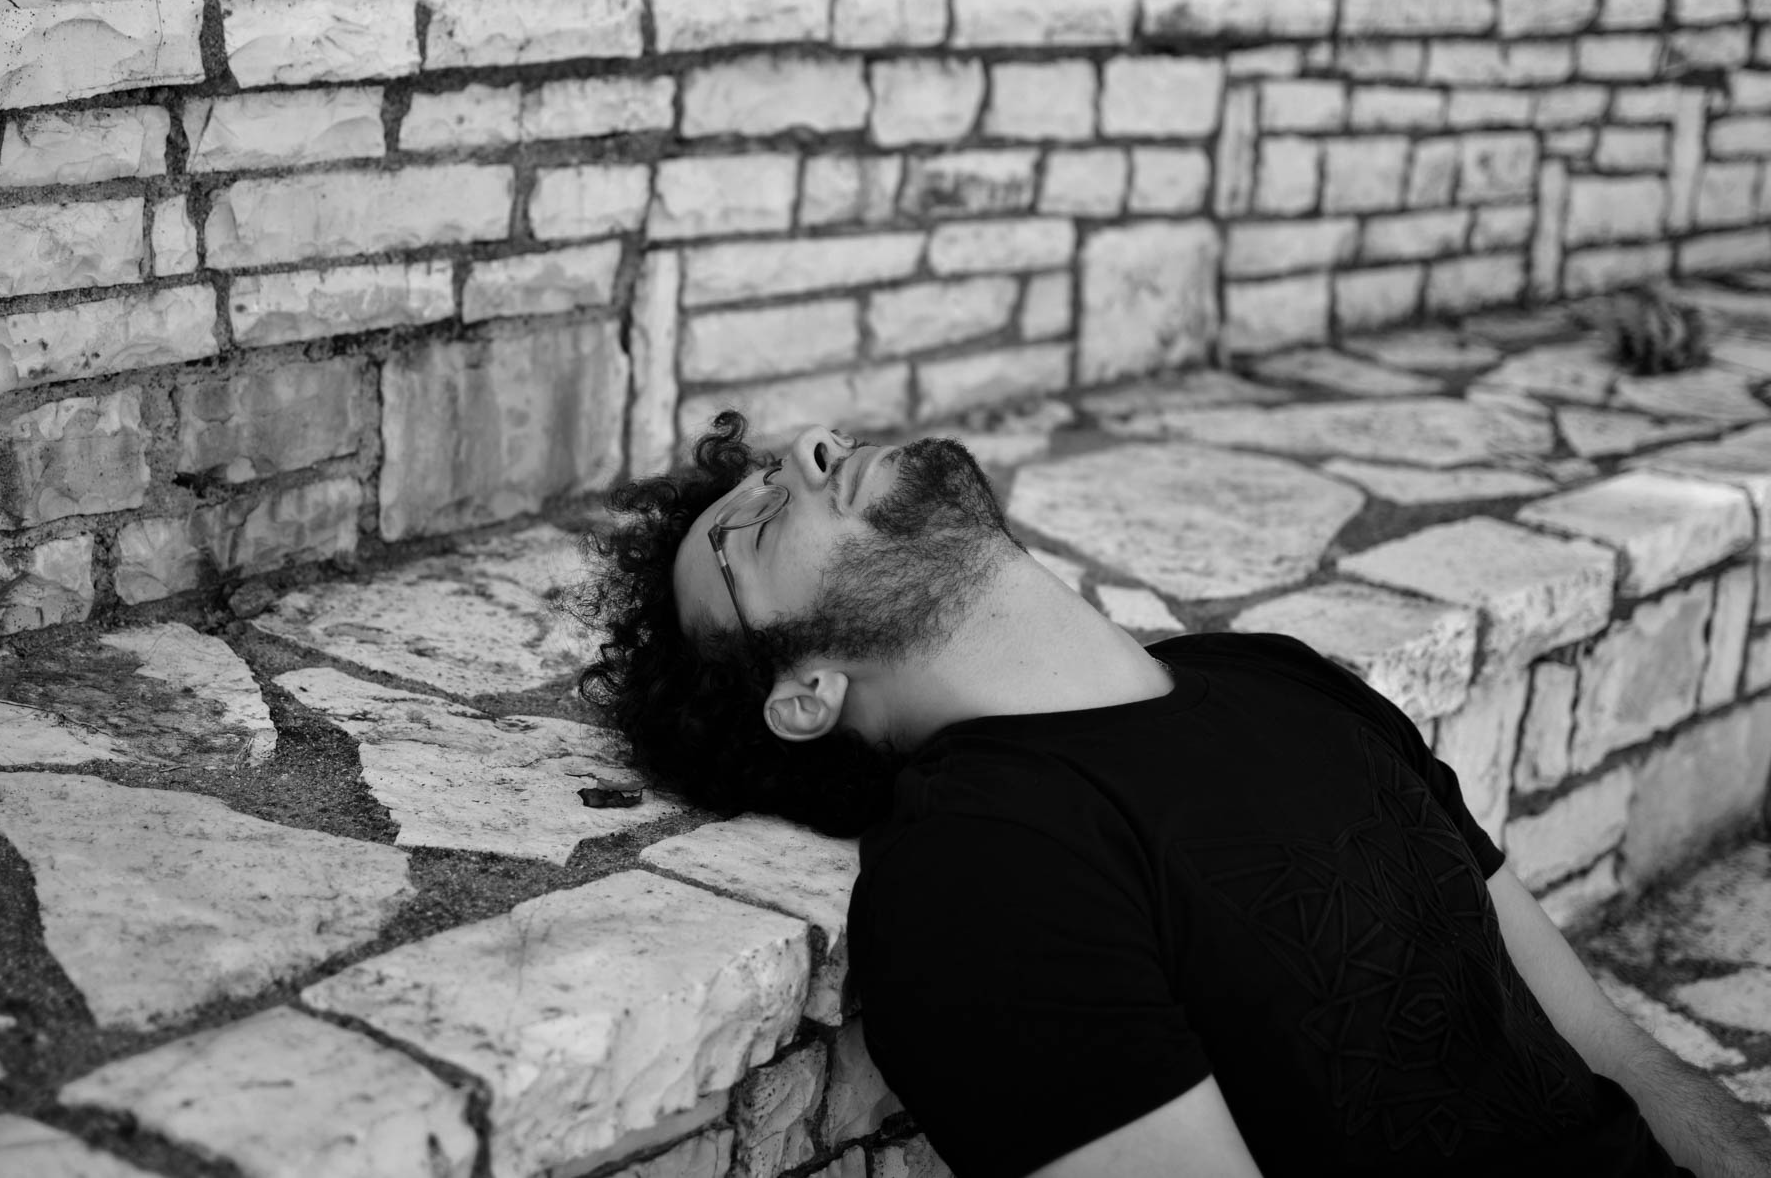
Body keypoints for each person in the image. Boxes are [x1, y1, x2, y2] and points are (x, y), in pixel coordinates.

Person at [576, 411, 1771, 1178]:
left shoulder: (1280, 675)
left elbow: (1622, 1053)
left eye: (776, 464)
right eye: (748, 528)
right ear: (806, 692)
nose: (805, 451)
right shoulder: (978, 870)